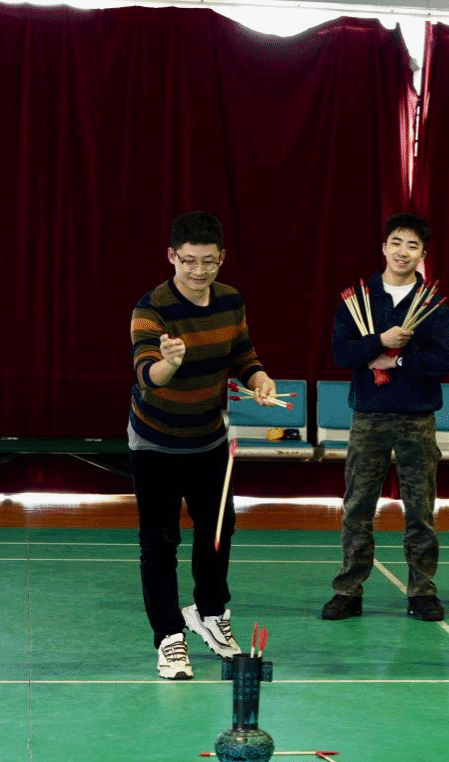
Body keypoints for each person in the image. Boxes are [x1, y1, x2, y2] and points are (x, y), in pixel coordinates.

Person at [129, 210, 278, 680]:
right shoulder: (151, 309)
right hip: (155, 442)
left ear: (222, 258)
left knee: (218, 532)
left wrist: (259, 378)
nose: (198, 271)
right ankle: (169, 636)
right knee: (160, 541)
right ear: (172, 256)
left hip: (208, 439)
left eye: (208, 262)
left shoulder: (231, 301)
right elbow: (147, 376)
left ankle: (210, 613)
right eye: (189, 261)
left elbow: (243, 354)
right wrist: (169, 363)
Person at [321, 213, 449, 623]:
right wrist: (379, 340)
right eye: (396, 242)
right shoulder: (360, 298)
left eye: (412, 245)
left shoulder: (431, 304)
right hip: (369, 415)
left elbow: (443, 361)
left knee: (420, 508)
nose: (403, 252)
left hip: (417, 417)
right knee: (358, 505)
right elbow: (340, 354)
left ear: (422, 254)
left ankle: (422, 591)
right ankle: (348, 590)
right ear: (383, 247)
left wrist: (399, 360)